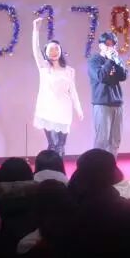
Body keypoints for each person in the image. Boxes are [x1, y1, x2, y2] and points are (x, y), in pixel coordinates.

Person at [31, 17, 83, 157]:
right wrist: (36, 30)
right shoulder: (44, 67)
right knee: (52, 144)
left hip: (64, 110)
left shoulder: (69, 70)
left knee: (61, 145)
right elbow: (36, 50)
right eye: (51, 50)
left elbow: (73, 92)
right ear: (46, 52)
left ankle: (60, 168)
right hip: (47, 109)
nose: (54, 52)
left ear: (60, 51)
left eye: (56, 49)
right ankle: (50, 167)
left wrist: (78, 109)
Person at [87, 31, 128, 155]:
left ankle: (111, 165)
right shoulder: (94, 60)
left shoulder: (116, 59)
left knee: (115, 140)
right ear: (101, 45)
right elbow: (101, 77)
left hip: (117, 103)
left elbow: (124, 76)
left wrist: (116, 61)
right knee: (102, 139)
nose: (111, 47)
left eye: (113, 44)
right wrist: (109, 61)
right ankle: (98, 165)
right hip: (102, 103)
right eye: (108, 44)